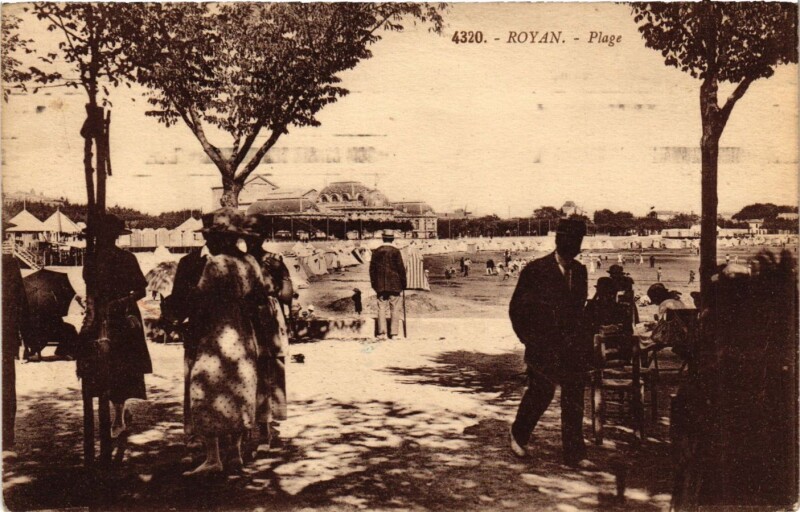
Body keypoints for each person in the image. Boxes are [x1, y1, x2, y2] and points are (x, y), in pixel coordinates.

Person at [183, 209, 269, 476]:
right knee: (240, 387)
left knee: (206, 386)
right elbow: (260, 296)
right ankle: (237, 453)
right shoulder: (251, 262)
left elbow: (200, 298)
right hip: (243, 331)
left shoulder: (216, 263)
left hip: (217, 331)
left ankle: (214, 457)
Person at [508, 219, 592, 468]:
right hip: (542, 347)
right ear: (557, 240)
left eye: (577, 241)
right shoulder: (536, 270)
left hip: (572, 348)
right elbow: (517, 310)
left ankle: (575, 454)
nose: (572, 245)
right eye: (567, 239)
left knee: (574, 397)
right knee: (541, 393)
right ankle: (518, 434)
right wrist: (530, 340)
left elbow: (578, 310)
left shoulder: (580, 271)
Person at [81, 214, 152, 439]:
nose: (105, 240)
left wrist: (120, 303)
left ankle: (119, 416)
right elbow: (90, 289)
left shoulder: (127, 258)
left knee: (121, 368)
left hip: (123, 317)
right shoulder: (90, 259)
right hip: (98, 316)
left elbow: (141, 290)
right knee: (95, 364)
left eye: (109, 236)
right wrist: (91, 307)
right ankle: (114, 411)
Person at [243, 213, 292, 451]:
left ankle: (264, 430)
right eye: (247, 231)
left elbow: (287, 295)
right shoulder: (237, 261)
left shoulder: (274, 259)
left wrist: (280, 277)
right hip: (243, 317)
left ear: (264, 235)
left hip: (267, 318)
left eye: (256, 232)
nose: (252, 237)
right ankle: (243, 429)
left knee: (267, 370)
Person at [2, 249, 33, 447]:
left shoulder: (9, 264)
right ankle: (6, 439)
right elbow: (21, 302)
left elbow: (20, 301)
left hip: (5, 337)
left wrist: (28, 339)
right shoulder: (9, 264)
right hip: (6, 337)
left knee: (5, 389)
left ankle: (6, 438)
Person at [369, 229, 407, 340]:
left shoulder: (376, 251)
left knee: (381, 307)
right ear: (393, 239)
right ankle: (394, 333)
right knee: (395, 308)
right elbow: (401, 269)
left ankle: (382, 333)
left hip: (380, 285)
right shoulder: (396, 251)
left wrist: (374, 284)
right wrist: (404, 284)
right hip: (395, 284)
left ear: (382, 238)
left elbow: (372, 270)